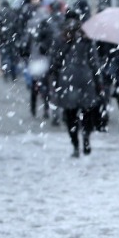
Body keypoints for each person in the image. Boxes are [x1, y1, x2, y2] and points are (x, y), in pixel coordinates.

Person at [49, 8, 103, 157]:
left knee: (70, 115)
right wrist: (99, 82)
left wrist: (54, 78)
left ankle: (75, 145)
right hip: (86, 78)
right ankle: (86, 137)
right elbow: (94, 62)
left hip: (67, 80)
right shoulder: (86, 37)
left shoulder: (60, 38)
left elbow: (54, 61)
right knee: (86, 112)